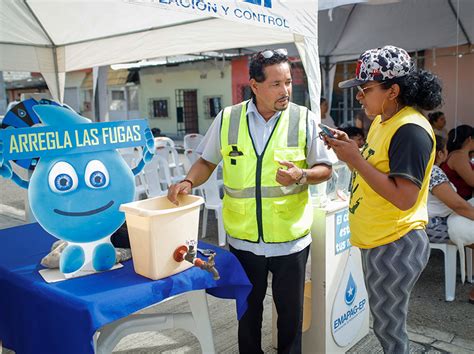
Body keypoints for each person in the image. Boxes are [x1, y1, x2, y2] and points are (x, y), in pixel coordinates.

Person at [168, 48, 335, 354]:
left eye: (288, 82)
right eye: (276, 84)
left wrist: (301, 175)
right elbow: (206, 162)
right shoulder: (228, 119)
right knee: (247, 315)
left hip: (290, 241)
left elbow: (325, 169)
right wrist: (189, 180)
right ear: (255, 86)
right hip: (244, 242)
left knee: (290, 318)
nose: (285, 90)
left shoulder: (303, 119)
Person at [323, 45, 442, 353]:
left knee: (389, 330)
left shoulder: (411, 130)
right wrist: (353, 152)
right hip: (380, 241)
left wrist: (356, 160)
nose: (359, 96)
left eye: (365, 89)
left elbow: (404, 197)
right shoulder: (382, 121)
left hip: (396, 243)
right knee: (387, 324)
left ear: (393, 90)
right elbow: (378, 167)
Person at [426, 135, 474, 244]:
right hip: (434, 224)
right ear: (440, 154)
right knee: (468, 231)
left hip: (431, 221)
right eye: (446, 149)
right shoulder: (433, 172)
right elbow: (457, 205)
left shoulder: (424, 170)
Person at [440, 125, 474, 200]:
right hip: (460, 200)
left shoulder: (461, 154)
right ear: (469, 138)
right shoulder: (459, 157)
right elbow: (472, 181)